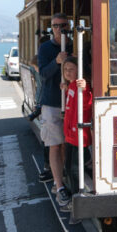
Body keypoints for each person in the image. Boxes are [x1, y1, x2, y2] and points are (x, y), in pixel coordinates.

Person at [38, 13, 72, 209]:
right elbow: (43, 74)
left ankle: (65, 179)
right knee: (55, 145)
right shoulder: (45, 48)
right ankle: (59, 187)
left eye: (63, 25)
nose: (60, 29)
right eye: (56, 26)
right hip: (51, 103)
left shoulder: (75, 46)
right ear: (52, 29)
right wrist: (57, 62)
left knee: (67, 144)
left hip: (71, 103)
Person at [61, 56, 93, 196]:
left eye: (71, 69)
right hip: (70, 134)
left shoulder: (81, 87)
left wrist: (84, 89)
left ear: (78, 71)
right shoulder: (72, 85)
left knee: (74, 168)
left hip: (78, 134)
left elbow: (87, 105)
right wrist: (67, 89)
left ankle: (76, 195)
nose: (67, 72)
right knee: (69, 166)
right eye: (65, 69)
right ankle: (72, 191)